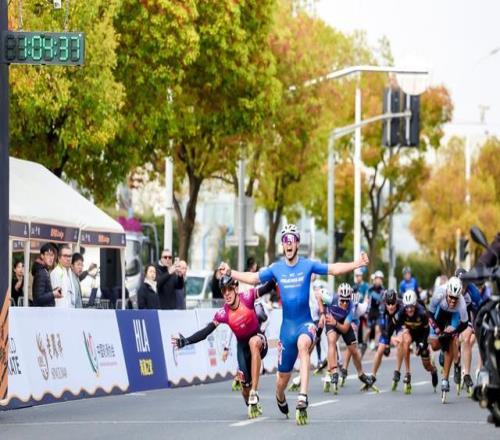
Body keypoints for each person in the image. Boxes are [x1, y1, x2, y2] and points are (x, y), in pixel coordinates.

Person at [218, 224, 369, 425]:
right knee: (282, 380)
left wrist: (356, 263)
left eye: (291, 240)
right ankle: (280, 396)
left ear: (297, 243)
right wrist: (231, 272)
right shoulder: (276, 268)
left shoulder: (307, 265)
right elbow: (253, 278)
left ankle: (303, 397)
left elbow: (333, 269)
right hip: (286, 330)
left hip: (305, 324)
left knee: (303, 345)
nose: (288, 244)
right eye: (285, 241)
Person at [172, 274, 268, 419]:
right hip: (242, 348)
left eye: (229, 289)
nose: (227, 294)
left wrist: (277, 275)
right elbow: (205, 332)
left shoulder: (248, 297)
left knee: (253, 343)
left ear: (236, 289)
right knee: (244, 389)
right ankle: (251, 400)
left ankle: (254, 391)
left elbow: (267, 287)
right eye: (224, 291)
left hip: (258, 339)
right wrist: (186, 341)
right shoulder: (223, 313)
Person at [318, 284, 375, 394]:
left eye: (347, 301)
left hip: (345, 323)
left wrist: (367, 298)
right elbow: (318, 295)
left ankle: (361, 374)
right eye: (342, 301)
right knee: (332, 341)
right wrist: (322, 313)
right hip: (332, 321)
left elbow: (344, 329)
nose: (344, 303)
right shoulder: (331, 299)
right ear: (339, 297)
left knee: (354, 350)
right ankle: (333, 371)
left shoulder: (353, 307)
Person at [428, 276, 469, 403]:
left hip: (454, 317)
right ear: (447, 293)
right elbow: (429, 314)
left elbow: (464, 324)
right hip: (440, 312)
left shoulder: (461, 303)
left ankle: (445, 380)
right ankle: (443, 346)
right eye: (451, 297)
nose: (453, 301)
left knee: (450, 339)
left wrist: (454, 332)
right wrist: (437, 329)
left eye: (455, 298)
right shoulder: (439, 293)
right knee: (434, 345)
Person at [394, 290, 438, 393]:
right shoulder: (401, 312)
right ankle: (407, 373)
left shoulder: (422, 313)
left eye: (411, 307)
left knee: (426, 364)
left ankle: (433, 370)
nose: (409, 310)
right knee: (405, 341)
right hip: (410, 332)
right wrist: (399, 333)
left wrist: (422, 345)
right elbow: (397, 326)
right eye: (407, 307)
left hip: (421, 335)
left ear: (415, 305)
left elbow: (427, 331)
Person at [367, 289, 403, 389]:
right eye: (388, 304)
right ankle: (373, 375)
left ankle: (397, 371)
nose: (390, 306)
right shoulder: (382, 308)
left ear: (396, 301)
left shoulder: (402, 306)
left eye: (393, 303)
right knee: (380, 349)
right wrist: (388, 341)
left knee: (400, 342)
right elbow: (382, 329)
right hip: (388, 326)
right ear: (385, 302)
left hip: (399, 324)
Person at [367, 271, 386, 351]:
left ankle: (377, 344)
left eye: (380, 279)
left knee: (377, 328)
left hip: (379, 311)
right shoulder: (370, 289)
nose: (378, 280)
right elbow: (367, 299)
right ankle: (367, 342)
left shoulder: (383, 290)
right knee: (369, 329)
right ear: (374, 279)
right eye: (377, 278)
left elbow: (383, 300)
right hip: (371, 311)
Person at [353, 268, 369, 355]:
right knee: (358, 326)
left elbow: (367, 296)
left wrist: (366, 309)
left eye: (359, 276)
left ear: (362, 276)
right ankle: (359, 343)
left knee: (367, 326)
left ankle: (365, 342)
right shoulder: (355, 286)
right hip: (356, 308)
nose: (358, 277)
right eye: (357, 276)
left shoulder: (365, 286)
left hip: (364, 307)